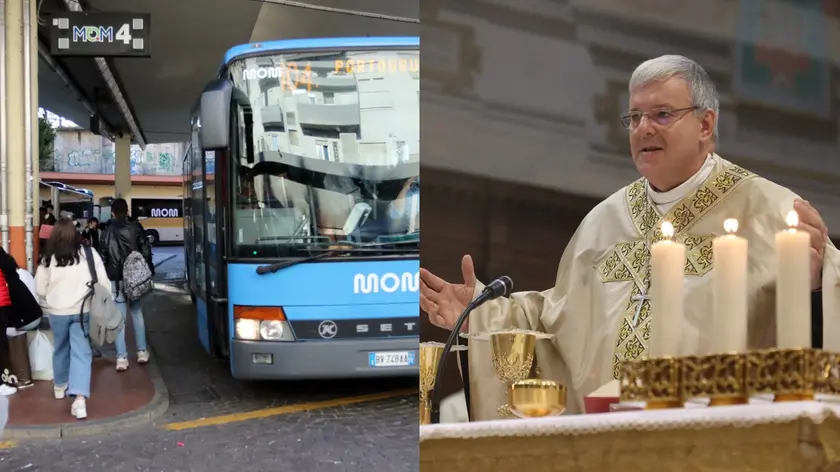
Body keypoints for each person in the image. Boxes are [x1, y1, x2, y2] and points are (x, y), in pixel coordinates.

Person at [419, 55, 840, 419]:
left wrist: (821, 280)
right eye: (634, 117)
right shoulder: (602, 222)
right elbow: (555, 318)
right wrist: (481, 315)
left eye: (661, 115)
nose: (643, 129)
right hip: (608, 442)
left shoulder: (771, 210)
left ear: (705, 124)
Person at [34, 219, 111, 420]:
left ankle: (60, 386)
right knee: (81, 353)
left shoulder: (46, 258)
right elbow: (103, 282)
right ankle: (79, 400)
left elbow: (39, 288)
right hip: (82, 311)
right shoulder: (88, 254)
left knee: (60, 347)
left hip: (57, 312)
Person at [99, 198, 154, 371]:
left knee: (119, 318)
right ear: (127, 211)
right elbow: (146, 250)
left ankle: (121, 358)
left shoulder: (107, 231)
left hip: (117, 279)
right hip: (135, 279)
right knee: (137, 313)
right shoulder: (136, 227)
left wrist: (107, 278)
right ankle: (142, 352)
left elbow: (103, 257)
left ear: (113, 213)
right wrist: (147, 270)